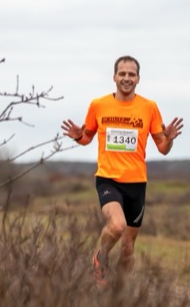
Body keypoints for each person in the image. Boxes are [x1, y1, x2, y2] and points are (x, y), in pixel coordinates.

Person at [61, 55, 183, 286]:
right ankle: (101, 257)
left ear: (138, 79)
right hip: (108, 179)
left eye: (131, 74)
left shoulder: (149, 107)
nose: (126, 78)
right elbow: (87, 137)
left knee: (127, 249)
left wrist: (170, 138)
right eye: (122, 74)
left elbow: (163, 148)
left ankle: (118, 295)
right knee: (117, 225)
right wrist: (78, 134)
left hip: (137, 183)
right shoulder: (99, 105)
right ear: (114, 77)